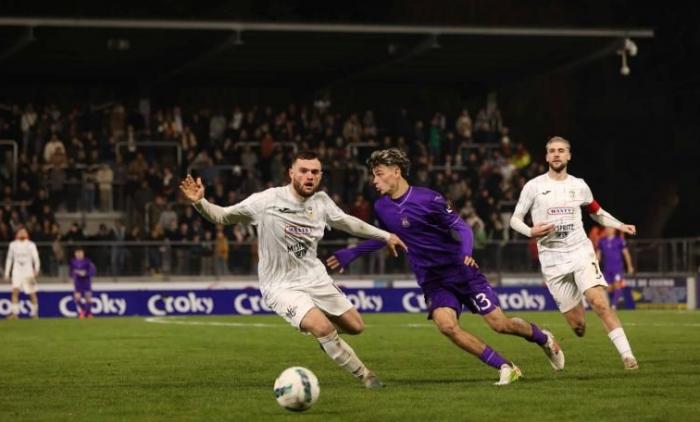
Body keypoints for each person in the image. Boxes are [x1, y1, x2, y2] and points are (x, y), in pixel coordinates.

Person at [327, 149, 564, 386]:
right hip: (433, 280)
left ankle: (543, 338)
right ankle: (506, 367)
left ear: (396, 172)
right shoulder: (381, 207)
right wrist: (352, 253)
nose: (374, 180)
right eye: (373, 175)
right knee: (447, 326)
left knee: (500, 325)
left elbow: (462, 228)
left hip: (461, 272)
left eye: (379, 174)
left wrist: (466, 254)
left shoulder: (429, 198)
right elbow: (386, 237)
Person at [180, 151, 407, 388]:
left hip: (315, 277)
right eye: (303, 171)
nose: (309, 176)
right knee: (322, 326)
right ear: (291, 173)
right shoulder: (267, 201)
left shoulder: (321, 202)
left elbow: (350, 223)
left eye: (315, 172)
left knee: (356, 327)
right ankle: (365, 375)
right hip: (280, 285)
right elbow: (224, 216)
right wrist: (200, 203)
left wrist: (386, 236)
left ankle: (326, 338)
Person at [509, 136, 638, 370]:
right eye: (552, 151)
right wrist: (530, 231)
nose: (556, 154)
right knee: (578, 327)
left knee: (599, 303)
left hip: (580, 251)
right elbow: (514, 220)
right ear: (547, 156)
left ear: (568, 155)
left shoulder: (579, 185)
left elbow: (596, 212)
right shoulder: (533, 186)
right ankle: (547, 337)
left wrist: (620, 225)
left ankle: (628, 357)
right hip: (552, 260)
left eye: (561, 150)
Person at [4, 228, 41, 319]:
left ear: (27, 234)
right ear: (17, 234)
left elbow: (35, 257)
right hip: (16, 271)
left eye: (24, 232)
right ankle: (15, 313)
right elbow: (9, 259)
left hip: (28, 271)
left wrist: (37, 269)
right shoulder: (12, 245)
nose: (22, 233)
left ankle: (34, 313)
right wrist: (7, 273)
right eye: (20, 232)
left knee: (31, 292)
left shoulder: (31, 245)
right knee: (15, 291)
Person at [596, 227, 634, 309]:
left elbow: (626, 253)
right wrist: (594, 266)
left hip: (617, 267)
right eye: (606, 228)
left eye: (610, 228)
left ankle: (613, 306)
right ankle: (610, 302)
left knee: (617, 285)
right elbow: (598, 255)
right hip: (607, 268)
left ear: (614, 230)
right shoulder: (602, 241)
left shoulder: (619, 240)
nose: (608, 230)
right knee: (608, 288)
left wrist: (629, 266)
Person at [69, 248, 97, 319]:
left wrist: (85, 274)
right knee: (77, 298)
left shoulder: (87, 261)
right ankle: (86, 311)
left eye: (80, 253)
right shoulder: (72, 262)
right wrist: (73, 276)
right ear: (75, 254)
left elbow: (93, 271)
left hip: (86, 282)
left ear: (83, 254)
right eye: (77, 253)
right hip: (78, 282)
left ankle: (86, 313)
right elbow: (71, 271)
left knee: (88, 298)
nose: (79, 255)